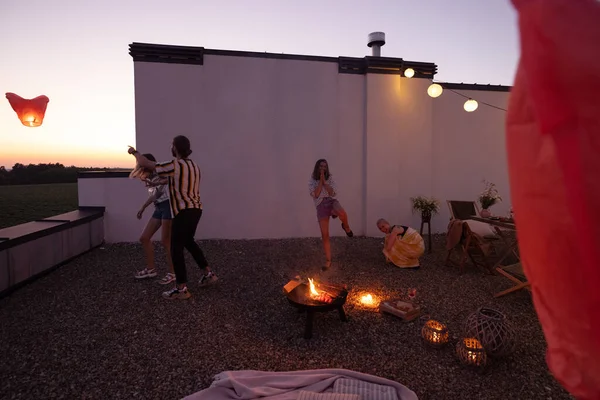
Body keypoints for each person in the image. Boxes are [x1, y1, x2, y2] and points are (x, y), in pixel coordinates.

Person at [128, 135, 217, 300]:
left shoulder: (174, 164)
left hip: (182, 211)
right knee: (189, 242)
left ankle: (181, 288)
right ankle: (209, 273)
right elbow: (173, 181)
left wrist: (135, 152)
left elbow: (146, 163)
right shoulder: (194, 166)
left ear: (175, 148)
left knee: (176, 248)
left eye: (172, 145)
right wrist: (156, 184)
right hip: (196, 209)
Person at [133, 153, 176, 285]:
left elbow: (163, 188)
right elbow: (154, 196)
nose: (142, 168)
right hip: (159, 208)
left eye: (143, 165)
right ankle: (151, 269)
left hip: (168, 207)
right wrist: (143, 208)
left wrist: (135, 152)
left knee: (166, 241)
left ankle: (173, 273)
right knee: (144, 238)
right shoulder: (151, 177)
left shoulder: (161, 173)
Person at [308, 159, 353, 270]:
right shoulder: (312, 180)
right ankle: (328, 260)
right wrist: (320, 181)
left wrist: (325, 182)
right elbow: (317, 194)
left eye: (324, 166)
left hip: (331, 201)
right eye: (320, 166)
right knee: (325, 235)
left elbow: (332, 193)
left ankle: (346, 227)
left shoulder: (331, 178)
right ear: (317, 167)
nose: (322, 168)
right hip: (321, 205)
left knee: (342, 212)